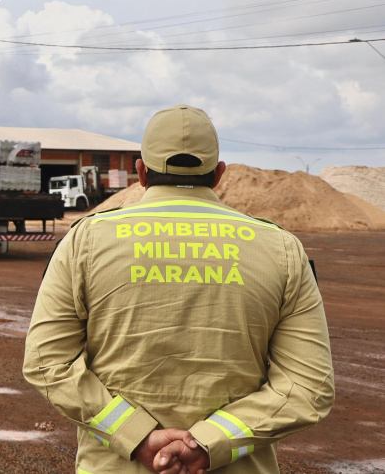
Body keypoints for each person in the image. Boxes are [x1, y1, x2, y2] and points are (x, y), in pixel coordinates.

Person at [23, 104, 334, 474]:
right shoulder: (281, 248)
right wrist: (209, 443)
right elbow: (308, 387)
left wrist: (134, 435)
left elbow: (47, 363)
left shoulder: (84, 241)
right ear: (219, 174)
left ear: (141, 172)